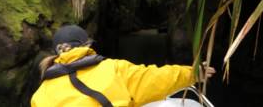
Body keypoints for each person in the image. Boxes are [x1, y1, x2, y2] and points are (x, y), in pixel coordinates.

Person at [31, 25, 215, 107]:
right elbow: (156, 79)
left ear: (55, 54)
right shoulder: (112, 68)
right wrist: (193, 73)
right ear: (87, 45)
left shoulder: (40, 94)